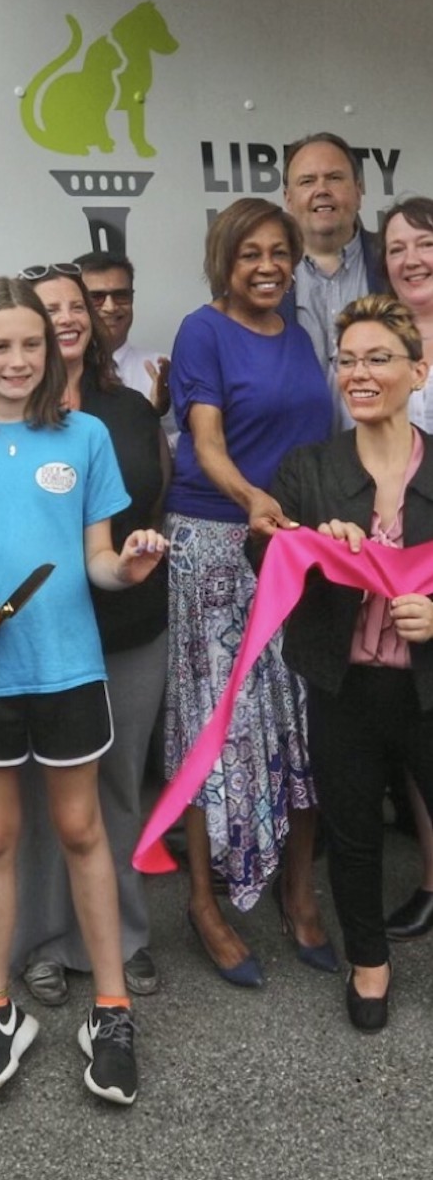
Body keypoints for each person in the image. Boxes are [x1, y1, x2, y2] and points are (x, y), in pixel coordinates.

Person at [0, 276, 165, 1110]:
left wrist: (126, 566)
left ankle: (110, 1010)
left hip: (71, 665)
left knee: (81, 827)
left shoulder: (86, 435)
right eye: (0, 344)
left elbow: (98, 558)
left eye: (32, 343)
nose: (19, 359)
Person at [164, 197, 335, 987]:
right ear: (223, 263)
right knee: (216, 724)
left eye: (279, 251)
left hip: (293, 548)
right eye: (249, 254)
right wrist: (249, 501)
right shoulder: (203, 330)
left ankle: (299, 892)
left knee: (303, 718)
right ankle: (204, 901)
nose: (267, 266)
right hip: (217, 546)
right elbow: (206, 440)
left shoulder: (301, 335)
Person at [267, 294, 433, 1031]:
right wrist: (311, 548)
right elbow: (263, 552)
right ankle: (370, 960)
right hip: (346, 687)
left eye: (377, 359)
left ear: (417, 369)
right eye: (347, 361)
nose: (358, 374)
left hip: (428, 689)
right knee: (355, 829)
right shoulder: (309, 469)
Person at [9, 263, 169, 1008]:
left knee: (117, 789)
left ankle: (123, 935)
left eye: (80, 305)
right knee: (47, 794)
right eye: (54, 307)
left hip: (132, 625)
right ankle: (43, 941)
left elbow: (156, 499)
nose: (71, 316)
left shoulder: (133, 409)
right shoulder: (7, 413)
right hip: (44, 634)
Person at [372, 198, 433, 942]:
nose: (412, 257)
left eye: (424, 242)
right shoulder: (383, 343)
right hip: (408, 567)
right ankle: (429, 875)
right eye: (397, 248)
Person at [281, 131, 388, 375]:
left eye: (334, 178)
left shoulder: (394, 262)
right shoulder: (264, 275)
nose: (322, 190)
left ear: (359, 192)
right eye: (307, 181)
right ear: (288, 199)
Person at [74, 251, 171, 420]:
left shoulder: (162, 371)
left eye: (121, 296)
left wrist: (155, 415)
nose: (110, 307)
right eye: (96, 297)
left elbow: (181, 440)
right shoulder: (57, 374)